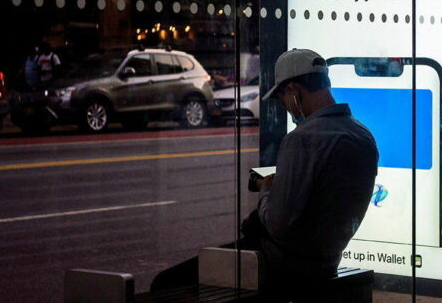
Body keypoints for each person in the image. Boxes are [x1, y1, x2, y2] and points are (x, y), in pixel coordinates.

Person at [151, 49, 378, 298]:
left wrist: (267, 188)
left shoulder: (302, 139)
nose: (287, 110)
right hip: (327, 260)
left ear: (293, 91)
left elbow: (278, 224)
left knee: (166, 283)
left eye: (282, 100)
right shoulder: (363, 135)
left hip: (282, 266)